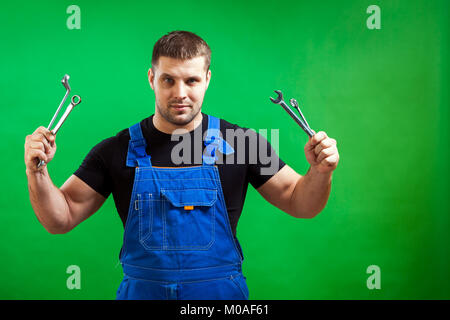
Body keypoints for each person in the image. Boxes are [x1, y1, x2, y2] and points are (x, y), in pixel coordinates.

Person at [24, 31, 339, 300]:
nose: (180, 93)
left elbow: (301, 202)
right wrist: (36, 171)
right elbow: (60, 218)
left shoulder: (245, 143)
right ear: (152, 78)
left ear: (207, 79)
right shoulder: (114, 150)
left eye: (191, 80)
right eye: (168, 80)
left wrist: (320, 172)